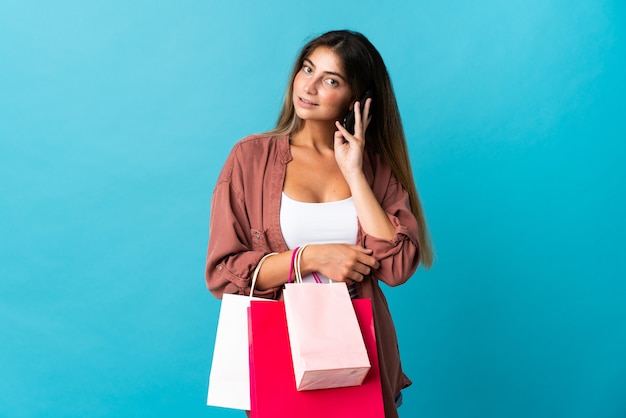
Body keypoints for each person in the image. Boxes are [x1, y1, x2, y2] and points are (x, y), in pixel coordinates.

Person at [205, 29, 433, 418]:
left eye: (330, 80)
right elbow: (223, 275)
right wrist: (309, 258)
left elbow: (396, 268)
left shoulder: (375, 167)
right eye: (307, 69)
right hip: (280, 354)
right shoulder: (250, 158)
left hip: (361, 354)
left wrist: (355, 173)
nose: (308, 86)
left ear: (355, 99)